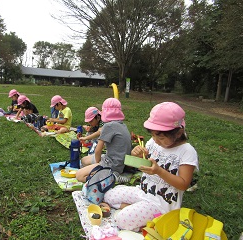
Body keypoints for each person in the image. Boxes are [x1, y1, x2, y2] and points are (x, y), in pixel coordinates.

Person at [102, 102, 199, 232]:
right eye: (153, 135)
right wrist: (135, 154)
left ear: (178, 132)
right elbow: (141, 162)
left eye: (161, 137)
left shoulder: (187, 151)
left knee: (122, 220)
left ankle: (158, 219)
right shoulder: (154, 142)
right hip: (143, 191)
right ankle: (139, 210)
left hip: (161, 203)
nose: (156, 140)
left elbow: (183, 184)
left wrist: (159, 171)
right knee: (108, 195)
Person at [76, 98, 132, 183]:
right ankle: (104, 174)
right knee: (84, 161)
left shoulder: (108, 126)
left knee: (79, 175)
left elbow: (98, 151)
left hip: (111, 165)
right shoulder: (123, 125)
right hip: (119, 163)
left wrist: (97, 165)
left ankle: (112, 177)